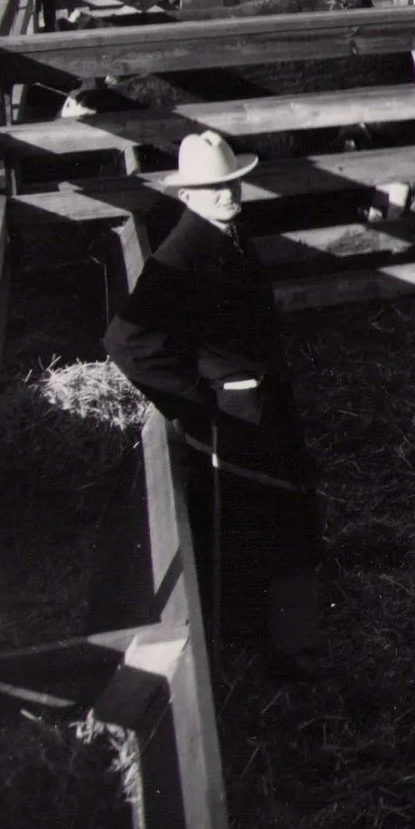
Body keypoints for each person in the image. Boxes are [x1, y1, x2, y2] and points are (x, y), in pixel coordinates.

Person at [103, 130, 327, 674]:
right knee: (270, 515)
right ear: (186, 195)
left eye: (231, 183)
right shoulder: (181, 257)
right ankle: (282, 650)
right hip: (234, 417)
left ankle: (282, 635)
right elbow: (127, 344)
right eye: (211, 188)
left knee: (282, 511)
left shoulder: (230, 237)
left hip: (260, 402)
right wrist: (197, 401)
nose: (226, 194)